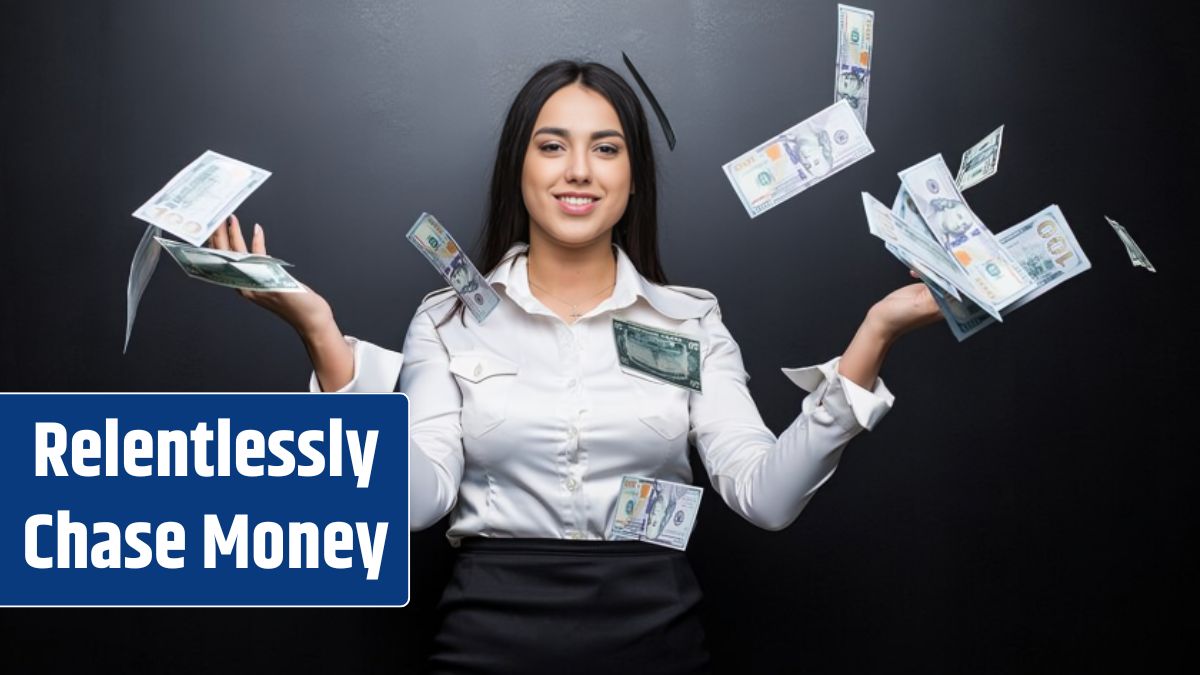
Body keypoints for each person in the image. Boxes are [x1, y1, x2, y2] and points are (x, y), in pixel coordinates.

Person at [206, 59, 941, 674]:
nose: (579, 170)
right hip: (486, 644)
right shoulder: (446, 319)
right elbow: (412, 503)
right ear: (519, 166)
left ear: (632, 175)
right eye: (553, 146)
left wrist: (876, 334)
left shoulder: (692, 322)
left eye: (607, 148)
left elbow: (767, 495)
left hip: (658, 643)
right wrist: (323, 337)